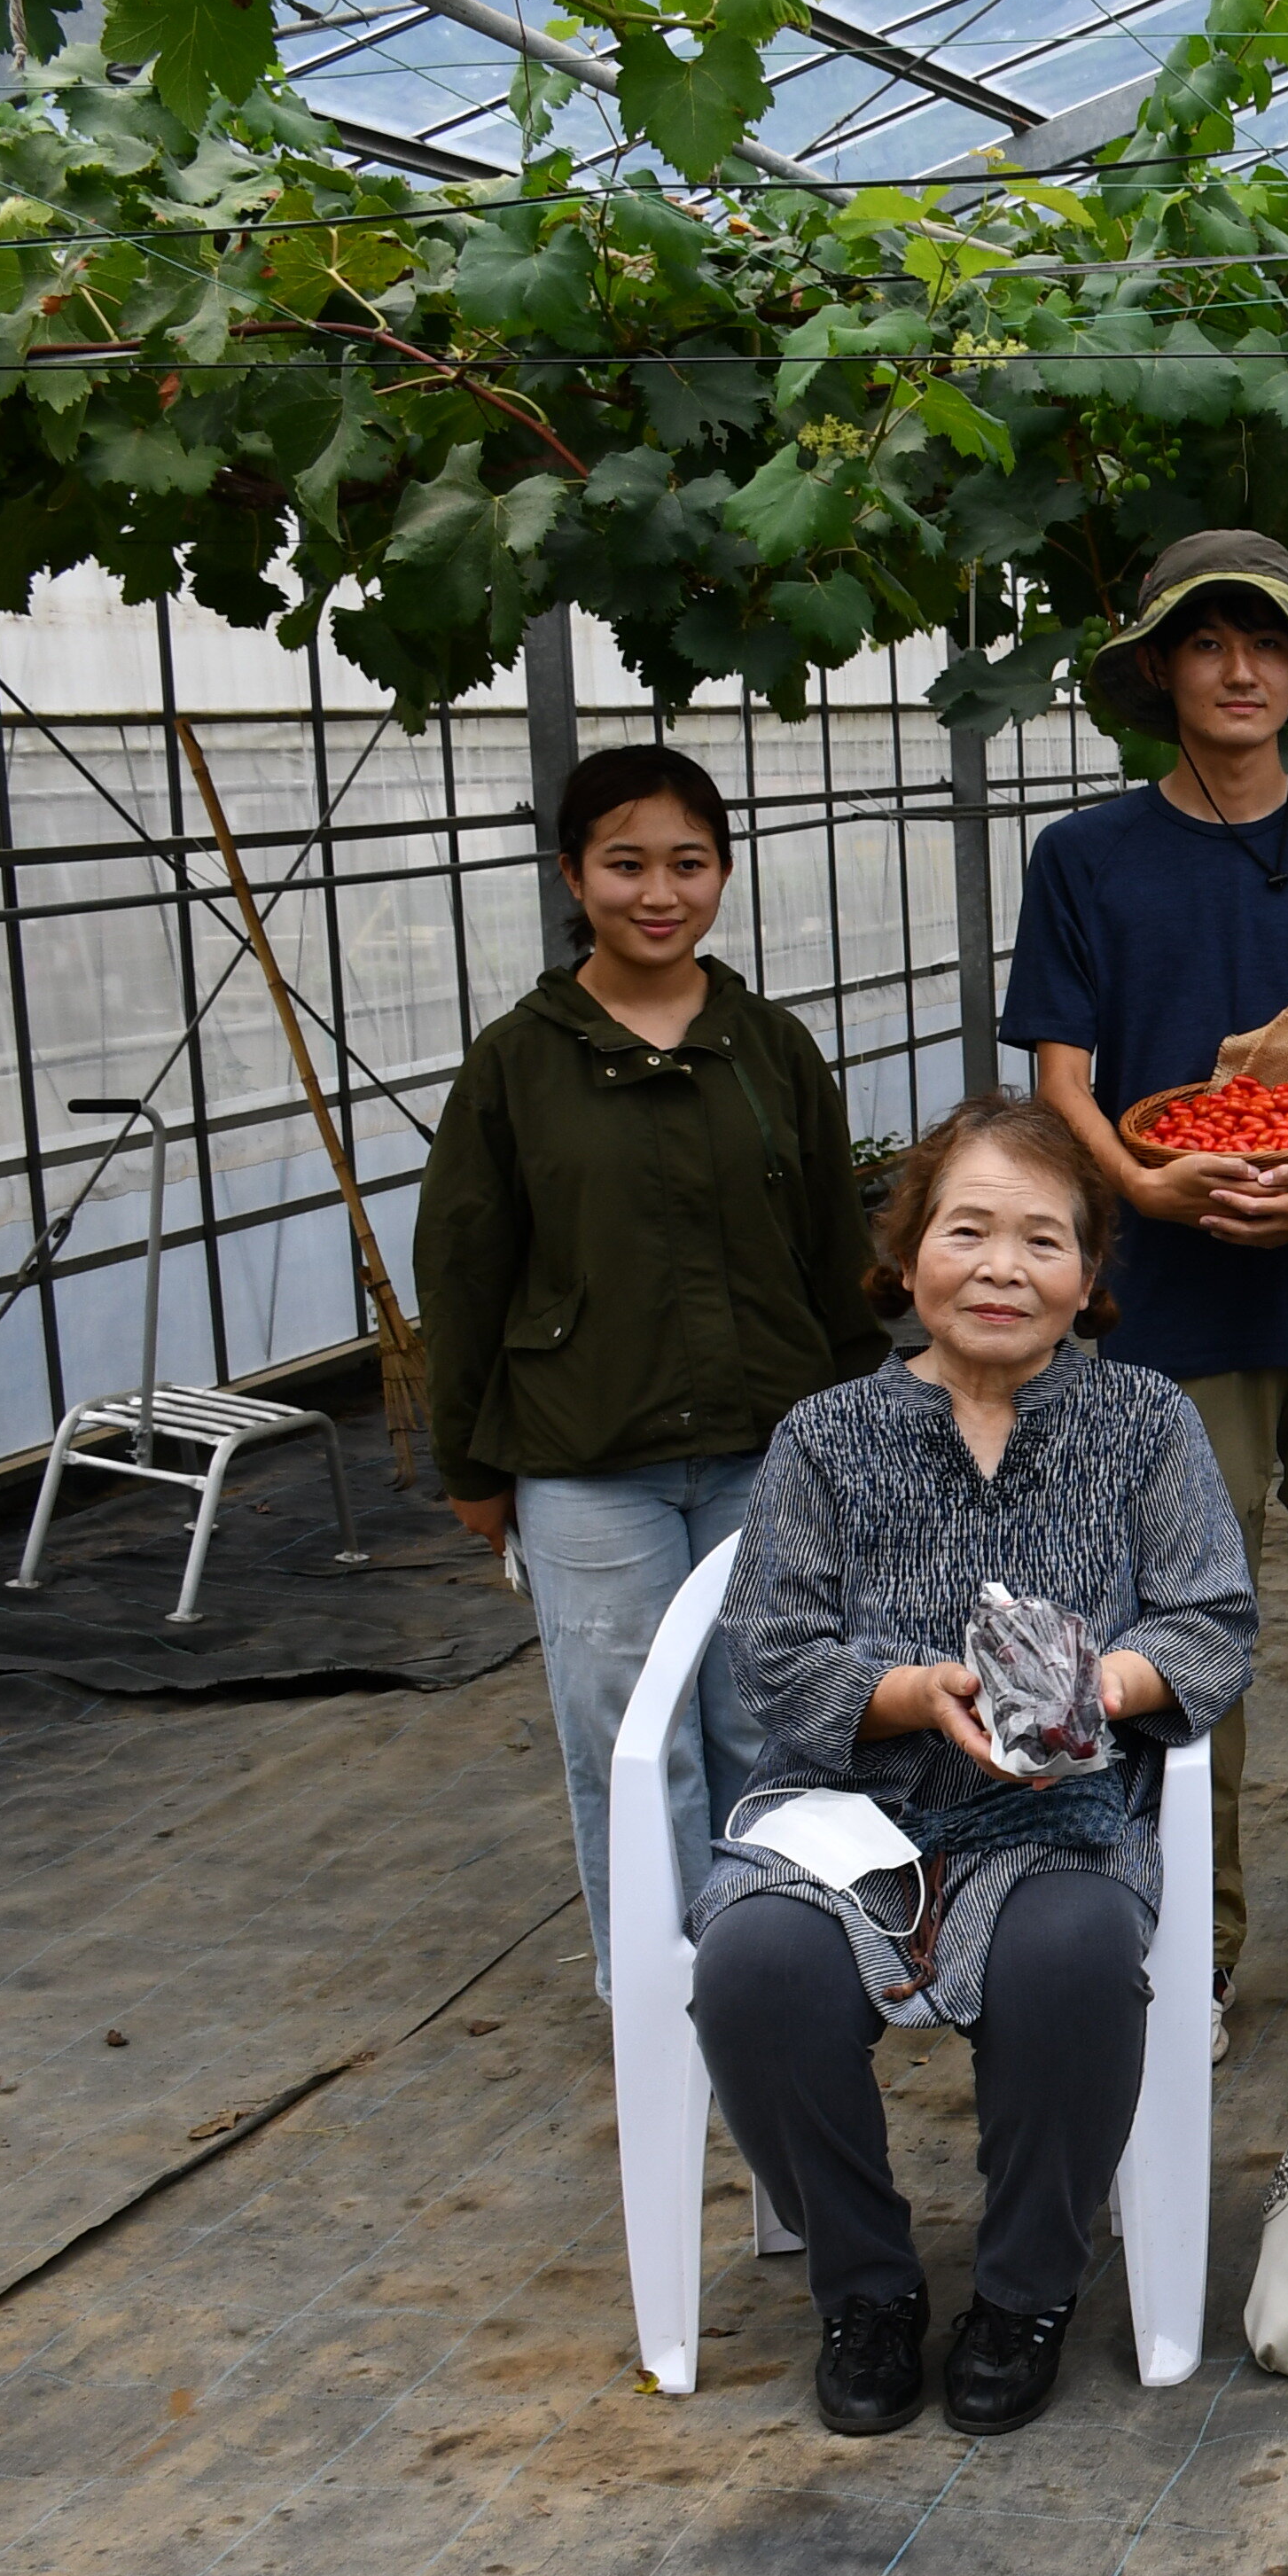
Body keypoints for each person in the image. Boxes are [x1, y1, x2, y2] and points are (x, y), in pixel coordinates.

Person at [690, 1097, 1260, 2439]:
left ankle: (1024, 2290)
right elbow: (770, 1647)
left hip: (1061, 1810)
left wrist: (1092, 1691)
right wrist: (909, 1694)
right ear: (904, 1260)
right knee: (753, 1968)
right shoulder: (825, 1436)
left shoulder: (1145, 1422)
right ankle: (866, 2285)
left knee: (1067, 1960)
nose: (1004, 1268)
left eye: (1045, 1241)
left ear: (1088, 1278)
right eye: (968, 1231)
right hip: (847, 1813)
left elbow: (1212, 1620)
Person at [1001, 529, 1288, 2033]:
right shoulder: (1085, 858)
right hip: (1167, 1307)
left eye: (1266, 642)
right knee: (1171, 1641)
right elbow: (1065, 1077)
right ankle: (1179, 1942)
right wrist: (1138, 1184)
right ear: (1160, 671)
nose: (1241, 669)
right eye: (1207, 642)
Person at [417, 744, 888, 2002]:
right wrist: (471, 1463)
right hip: (586, 1459)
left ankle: (770, 1975)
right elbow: (463, 1270)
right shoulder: (518, 1062)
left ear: (723, 874)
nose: (658, 891)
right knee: (632, 1742)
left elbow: (835, 1255)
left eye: (688, 862)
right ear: (574, 874)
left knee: (764, 1721)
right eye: (625, 864)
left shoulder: (768, 1050)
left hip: (766, 1449)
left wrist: (861, 1428)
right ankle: (660, 1992)